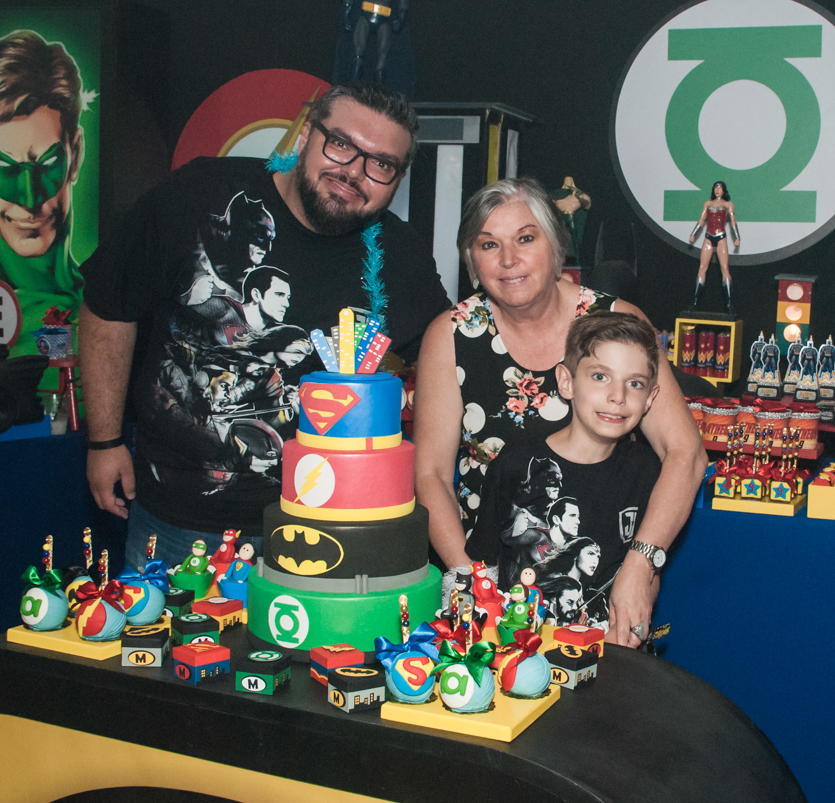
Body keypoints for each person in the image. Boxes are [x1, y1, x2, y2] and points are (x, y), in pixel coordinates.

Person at [80, 82, 451, 571]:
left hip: (326, 531)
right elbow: (109, 304)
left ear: (397, 180)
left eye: (381, 164)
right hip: (178, 522)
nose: (354, 171)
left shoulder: (399, 256)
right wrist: (104, 441)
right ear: (306, 135)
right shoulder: (200, 195)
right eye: (341, 144)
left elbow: (452, 352)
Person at [414, 185, 706, 645]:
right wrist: (474, 582)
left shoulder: (616, 322)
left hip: (603, 583)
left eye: (525, 238)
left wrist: (640, 564)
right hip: (493, 577)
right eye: (489, 245)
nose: (509, 259)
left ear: (555, 245)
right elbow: (430, 474)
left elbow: (685, 453)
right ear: (471, 260)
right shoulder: (451, 335)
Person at [442, 310, 675, 637]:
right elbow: (482, 567)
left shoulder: (648, 471)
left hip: (607, 650)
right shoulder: (515, 465)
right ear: (566, 382)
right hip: (518, 647)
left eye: (634, 383)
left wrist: (631, 630)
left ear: (650, 398)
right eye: (600, 376)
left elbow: (647, 573)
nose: (618, 397)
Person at [0, 30, 86, 358]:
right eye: (4, 168)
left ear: (75, 156)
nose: (28, 198)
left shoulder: (100, 298)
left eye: (48, 164)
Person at [687, 181, 739, 315]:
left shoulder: (728, 205)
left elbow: (733, 223)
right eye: (716, 187)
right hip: (708, 237)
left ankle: (729, 303)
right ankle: (695, 302)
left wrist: (737, 237)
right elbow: (701, 221)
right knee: (702, 267)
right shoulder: (707, 204)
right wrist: (693, 234)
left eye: (720, 188)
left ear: (724, 190)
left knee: (724, 268)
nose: (717, 190)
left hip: (721, 237)